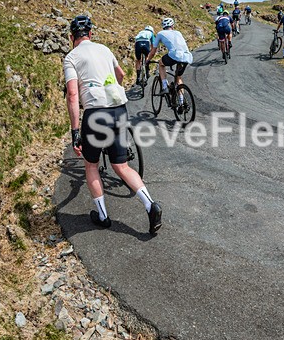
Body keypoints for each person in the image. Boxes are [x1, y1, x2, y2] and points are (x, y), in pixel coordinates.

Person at [63, 15, 163, 235]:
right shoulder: (104, 49)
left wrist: (75, 131)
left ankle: (103, 216)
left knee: (91, 165)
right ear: (90, 34)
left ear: (72, 37)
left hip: (95, 114)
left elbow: (72, 95)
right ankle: (150, 205)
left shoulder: (71, 58)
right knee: (122, 166)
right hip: (118, 109)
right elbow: (120, 74)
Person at [146, 17, 193, 104]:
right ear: (172, 26)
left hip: (175, 54)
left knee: (161, 63)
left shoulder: (160, 33)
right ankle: (181, 102)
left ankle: (165, 87)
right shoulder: (178, 32)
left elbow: (153, 51)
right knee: (178, 77)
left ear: (163, 27)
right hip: (187, 56)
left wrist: (148, 60)